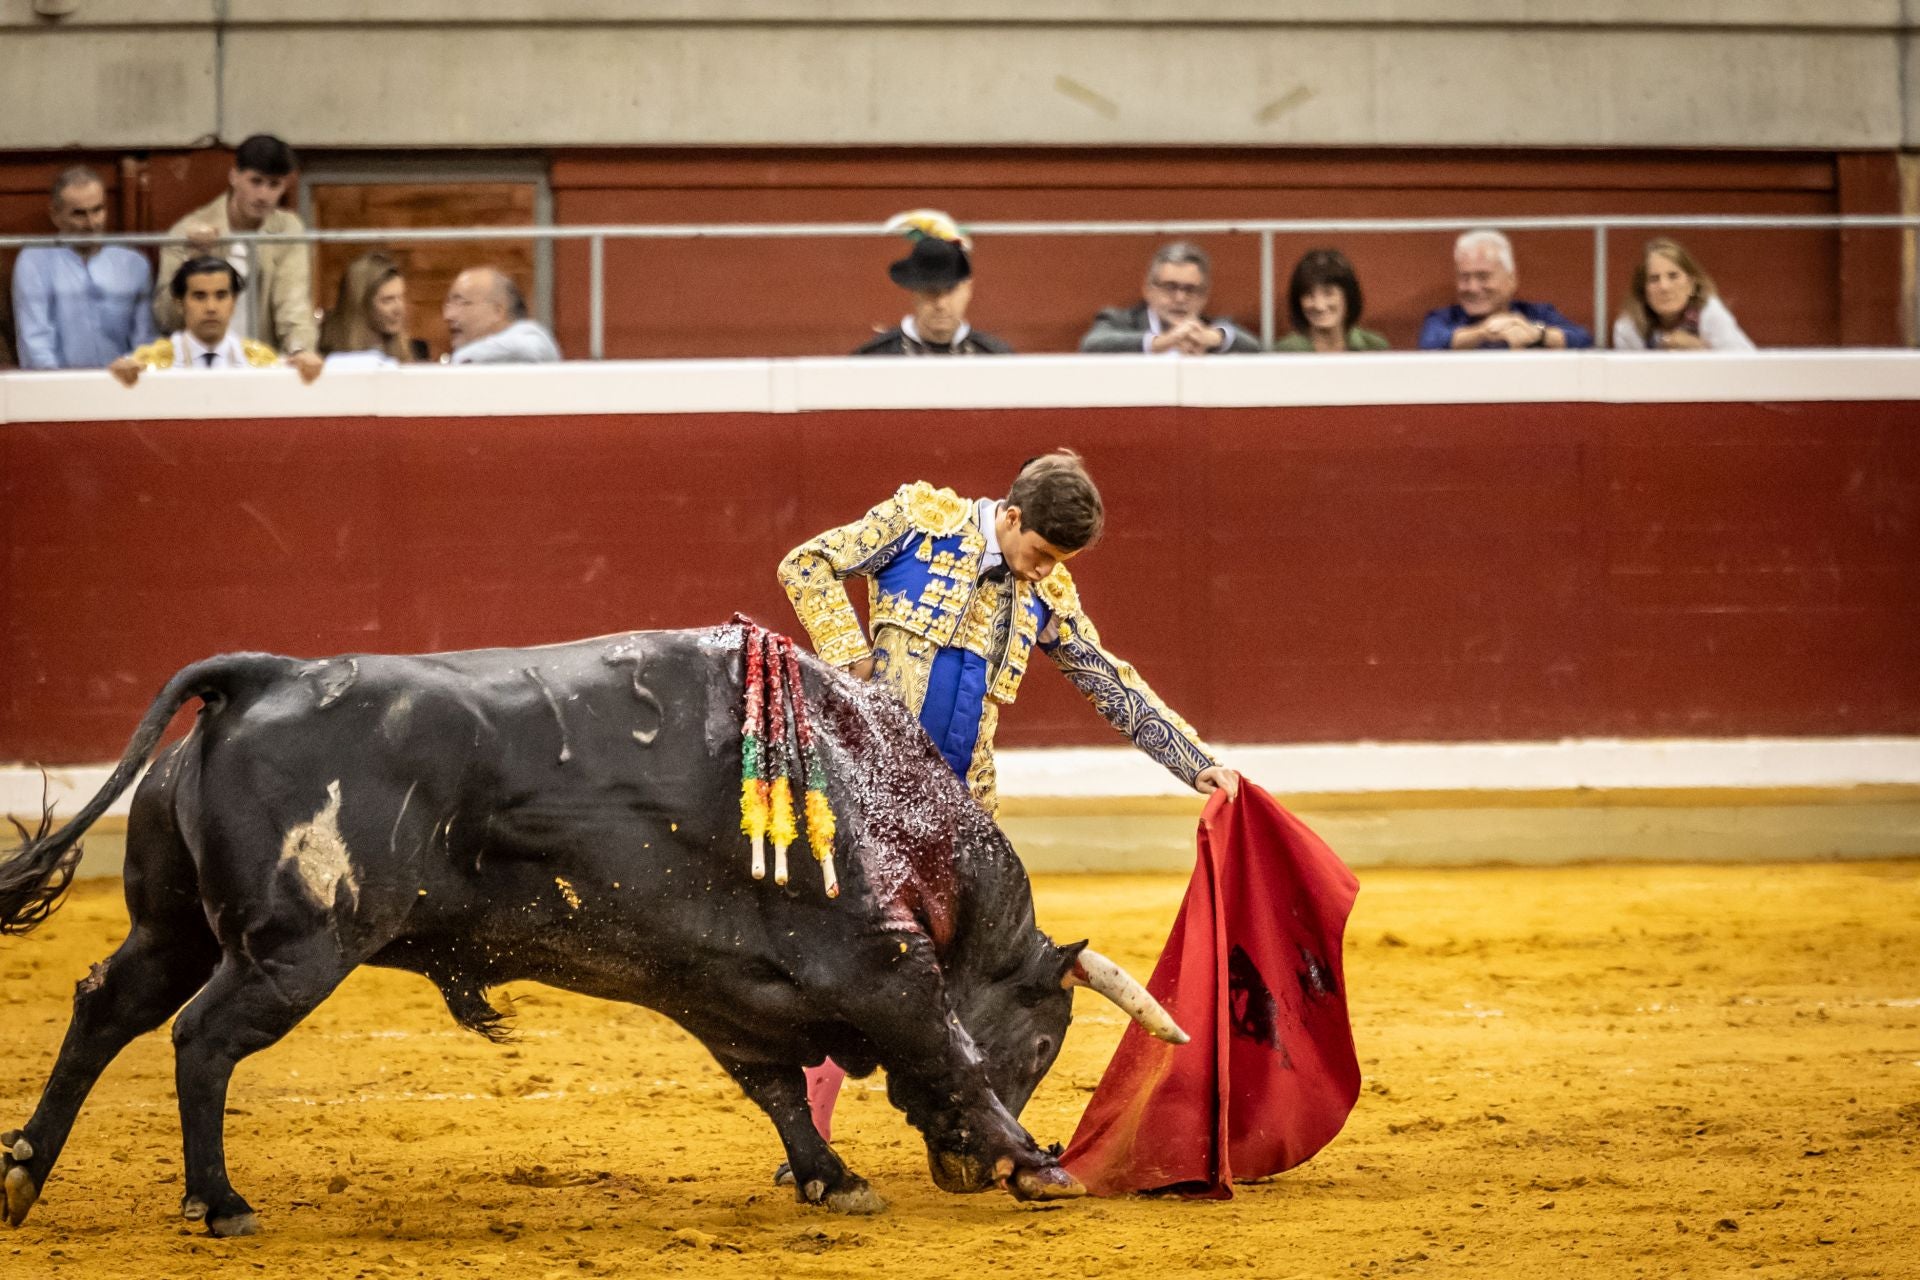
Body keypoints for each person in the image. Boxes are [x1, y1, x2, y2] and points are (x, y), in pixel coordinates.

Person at [777, 450, 1238, 1161]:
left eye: (1061, 560)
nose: (1047, 570)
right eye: (1043, 553)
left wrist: (1196, 764)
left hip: (967, 814)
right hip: (872, 794)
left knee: (972, 977)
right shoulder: (918, 524)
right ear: (1012, 516)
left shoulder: (1048, 595)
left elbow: (1108, 682)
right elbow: (805, 564)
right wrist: (850, 659)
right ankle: (808, 1139)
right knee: (857, 966)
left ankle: (973, 1136)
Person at [155, 134, 317, 356]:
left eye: (274, 185)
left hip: (261, 362)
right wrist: (192, 260)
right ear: (234, 176)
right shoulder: (185, 232)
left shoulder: (288, 229)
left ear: (285, 186)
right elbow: (166, 318)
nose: (263, 195)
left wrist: (300, 351)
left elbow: (293, 304)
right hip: (200, 363)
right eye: (256, 181)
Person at [11, 166, 156, 369]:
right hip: (57, 389)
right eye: (79, 214)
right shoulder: (34, 261)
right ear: (55, 215)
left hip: (124, 386)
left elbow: (145, 340)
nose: (91, 223)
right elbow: (35, 342)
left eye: (98, 210)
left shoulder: (134, 264)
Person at [109, 257, 322, 386]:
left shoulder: (262, 359)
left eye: (221, 296)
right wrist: (119, 374)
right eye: (199, 296)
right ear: (180, 303)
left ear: (233, 301)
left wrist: (305, 368)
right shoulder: (147, 361)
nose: (211, 307)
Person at [854, 213, 1010, 356]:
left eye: (950, 290)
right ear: (914, 292)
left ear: (967, 289)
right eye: (931, 291)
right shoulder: (876, 357)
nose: (941, 304)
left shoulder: (996, 357)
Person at [1418, 229, 1593, 351]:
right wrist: (1484, 332)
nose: (1472, 287)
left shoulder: (1538, 314)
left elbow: (1583, 340)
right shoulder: (1443, 319)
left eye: (1483, 277)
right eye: (1464, 278)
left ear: (1511, 280)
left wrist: (1536, 334)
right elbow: (1429, 342)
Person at [1079, 242, 1259, 355]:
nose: (1180, 298)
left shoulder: (1211, 327)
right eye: (1170, 287)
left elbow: (1255, 347)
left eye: (1191, 289)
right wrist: (1163, 342)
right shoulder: (1120, 320)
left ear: (1204, 296)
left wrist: (1215, 339)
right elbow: (1092, 343)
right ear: (1148, 290)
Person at [1612, 237, 1755, 351]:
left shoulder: (1711, 313)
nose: (1664, 287)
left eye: (1673, 276)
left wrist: (1702, 351)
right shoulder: (1628, 327)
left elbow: (1747, 370)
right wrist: (1664, 345)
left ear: (1691, 285)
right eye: (1654, 279)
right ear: (1643, 290)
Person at [318, 251, 427, 366]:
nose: (399, 309)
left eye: (400, 297)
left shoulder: (415, 352)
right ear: (362, 306)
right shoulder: (329, 359)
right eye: (387, 300)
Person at [1273, 248, 1388, 352]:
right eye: (1309, 295)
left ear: (1348, 296)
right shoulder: (1285, 351)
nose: (1319, 306)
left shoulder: (1373, 346)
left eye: (1328, 293)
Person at [442, 266, 560, 364]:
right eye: (449, 304)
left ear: (497, 311)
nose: (448, 315)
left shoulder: (530, 337)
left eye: (463, 303)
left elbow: (533, 348)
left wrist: (462, 359)